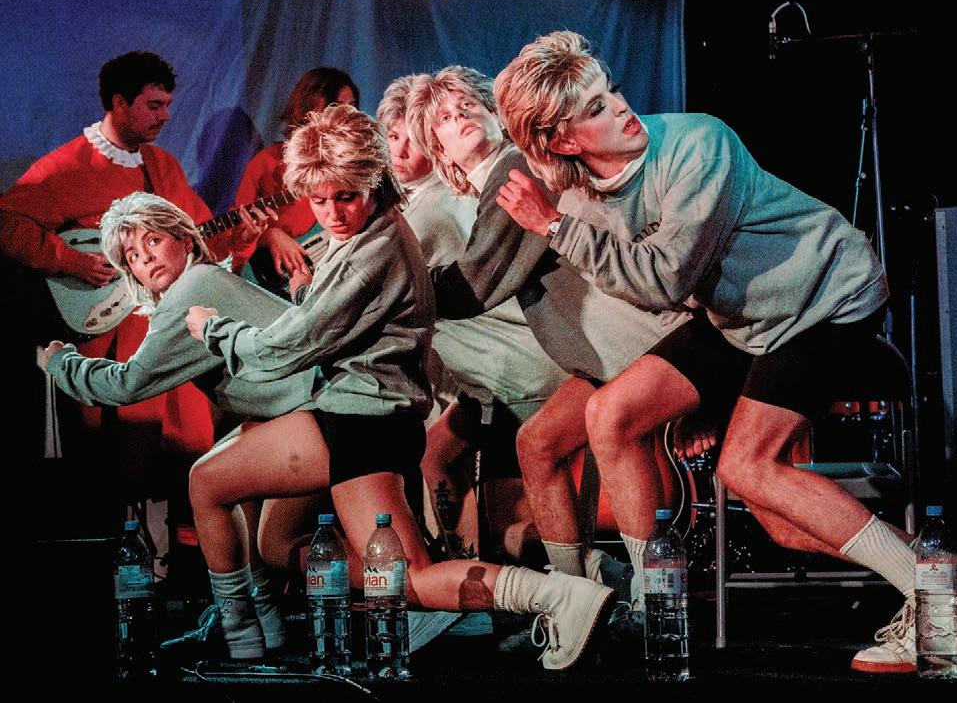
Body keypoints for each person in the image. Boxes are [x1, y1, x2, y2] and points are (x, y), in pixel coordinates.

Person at [492, 30, 949, 673]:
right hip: (740, 317)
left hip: (824, 293)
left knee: (749, 470)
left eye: (611, 90)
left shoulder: (698, 144)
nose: (621, 107)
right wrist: (696, 397)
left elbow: (663, 278)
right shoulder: (579, 197)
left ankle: (944, 598)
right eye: (596, 107)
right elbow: (655, 297)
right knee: (612, 415)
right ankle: (654, 609)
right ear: (564, 141)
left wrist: (551, 226)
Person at [183, 104, 614, 668]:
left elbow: (289, 347)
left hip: (360, 420)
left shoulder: (373, 248)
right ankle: (556, 595)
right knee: (300, 543)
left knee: (213, 484)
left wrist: (212, 328)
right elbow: (330, 322)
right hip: (363, 415)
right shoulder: (371, 230)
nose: (332, 213)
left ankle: (242, 636)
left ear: (373, 181)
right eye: (319, 201)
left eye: (345, 197)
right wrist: (304, 295)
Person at [405, 66, 692, 589]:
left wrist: (393, 286)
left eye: (469, 104)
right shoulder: (499, 180)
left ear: (495, 114)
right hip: (603, 353)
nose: (461, 115)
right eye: (445, 118)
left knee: (561, 444)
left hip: (637, 339)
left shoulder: (516, 169)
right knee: (536, 445)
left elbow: (475, 284)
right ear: (440, 151)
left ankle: (633, 592)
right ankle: (578, 590)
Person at [37, 191, 296, 656]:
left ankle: (239, 633)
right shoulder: (197, 283)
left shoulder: (193, 288)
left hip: (316, 409)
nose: (146, 259)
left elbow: (128, 384)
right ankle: (263, 626)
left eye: (153, 241)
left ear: (184, 238)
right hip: (292, 410)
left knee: (207, 481)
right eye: (133, 256)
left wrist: (60, 362)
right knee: (240, 489)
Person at [0, 51, 255, 515]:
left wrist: (242, 236)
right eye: (154, 105)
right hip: (108, 337)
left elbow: (198, 241)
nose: (165, 116)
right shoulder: (68, 165)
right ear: (119, 103)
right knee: (115, 461)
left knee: (188, 451)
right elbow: (8, 223)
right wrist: (71, 261)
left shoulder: (164, 166)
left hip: (168, 334)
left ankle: (184, 550)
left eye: (167, 105)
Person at [377, 75, 569, 565]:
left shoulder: (471, 188)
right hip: (489, 373)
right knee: (437, 456)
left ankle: (572, 578)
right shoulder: (458, 190)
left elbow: (470, 286)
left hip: (517, 367)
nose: (398, 150)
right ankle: (471, 570)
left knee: (516, 515)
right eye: (391, 137)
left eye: (466, 106)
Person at [231, 67, 359, 294]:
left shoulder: (359, 166)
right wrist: (268, 236)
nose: (347, 118)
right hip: (273, 286)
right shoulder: (267, 163)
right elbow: (237, 241)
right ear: (309, 111)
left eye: (352, 108)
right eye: (338, 107)